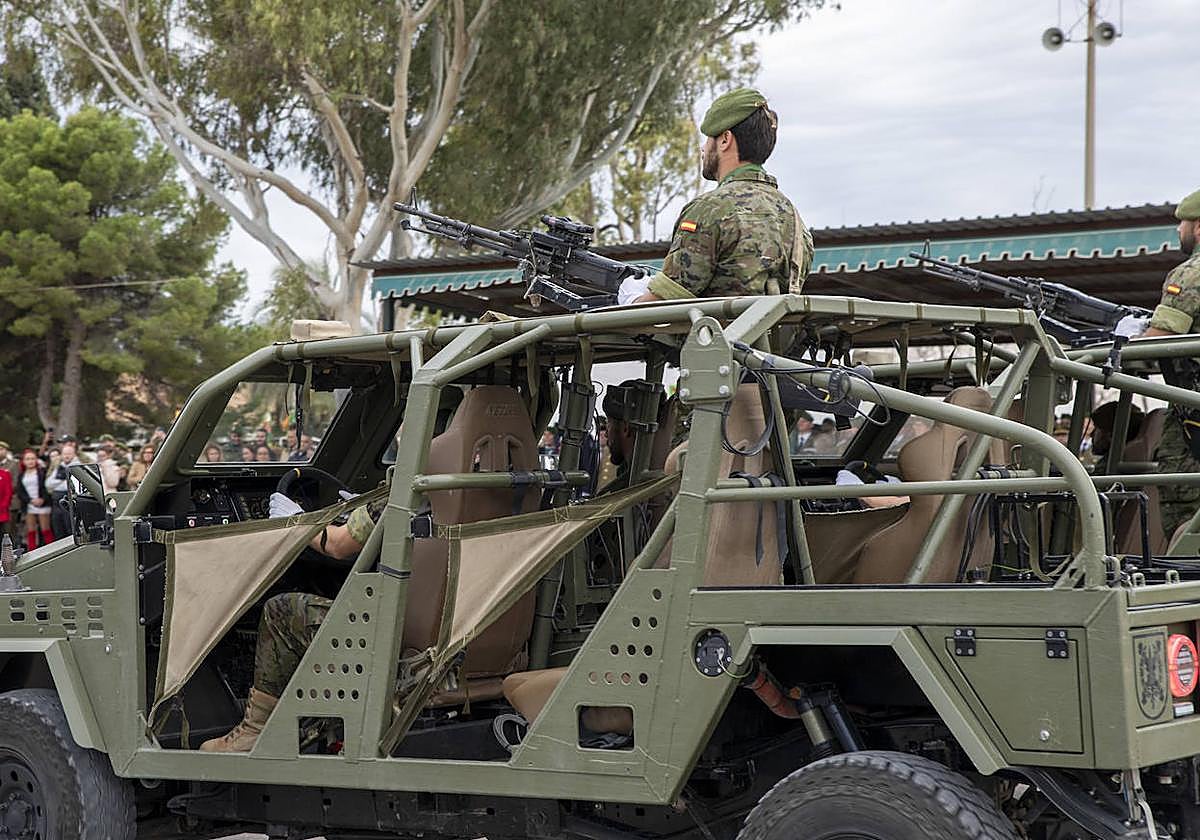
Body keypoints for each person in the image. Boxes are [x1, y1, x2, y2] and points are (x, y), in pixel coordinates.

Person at [200, 490, 385, 753]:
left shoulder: (405, 491)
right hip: (430, 632)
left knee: (281, 610)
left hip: (379, 632)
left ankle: (255, 731)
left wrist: (297, 517)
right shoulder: (452, 494)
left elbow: (338, 544)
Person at [617, 87, 812, 305]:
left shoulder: (710, 209)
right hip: (773, 339)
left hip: (715, 337)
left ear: (725, 140)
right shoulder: (794, 220)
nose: (703, 149)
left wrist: (631, 298)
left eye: (708, 139)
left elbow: (662, 303)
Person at [1121, 188, 1200, 538]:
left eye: (1182, 223)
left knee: (1184, 499)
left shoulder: (1189, 273)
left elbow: (1159, 341)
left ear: (1198, 228)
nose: (1178, 231)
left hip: (1193, 419)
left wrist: (1123, 341)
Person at [45, 437, 83, 539]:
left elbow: (72, 484)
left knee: (70, 530)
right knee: (58, 529)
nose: (66, 456)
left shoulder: (77, 465)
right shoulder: (59, 466)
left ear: (74, 454)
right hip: (56, 503)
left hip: (70, 502)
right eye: (64, 454)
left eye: (69, 453)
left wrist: (59, 482)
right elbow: (48, 483)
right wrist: (63, 480)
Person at [14, 449, 53, 549]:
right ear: (23, 461)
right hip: (29, 505)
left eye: (32, 459)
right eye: (27, 459)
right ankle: (32, 551)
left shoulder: (42, 473)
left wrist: (42, 499)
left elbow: (47, 487)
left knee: (45, 529)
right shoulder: (21, 475)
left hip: (43, 503)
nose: (30, 461)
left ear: (36, 460)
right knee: (31, 531)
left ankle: (51, 550)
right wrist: (30, 500)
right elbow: (20, 491)